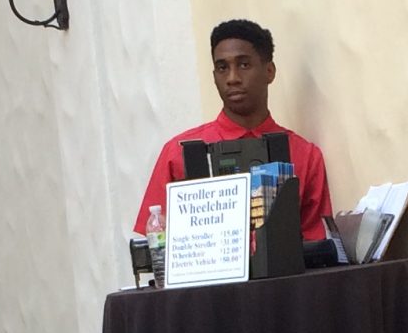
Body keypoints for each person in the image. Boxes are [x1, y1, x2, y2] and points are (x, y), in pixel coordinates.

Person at [132, 18, 334, 250]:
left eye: (244, 65)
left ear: (269, 71)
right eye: (222, 68)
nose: (232, 78)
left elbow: (317, 245)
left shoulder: (305, 155)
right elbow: (156, 244)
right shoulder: (177, 153)